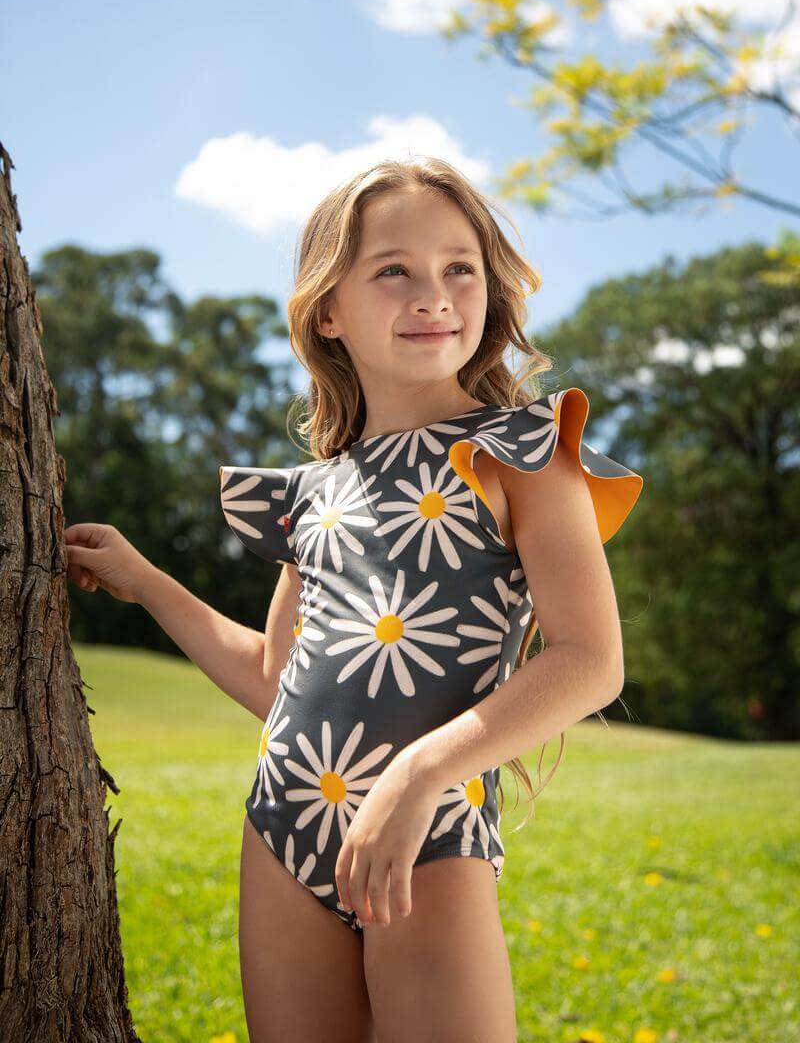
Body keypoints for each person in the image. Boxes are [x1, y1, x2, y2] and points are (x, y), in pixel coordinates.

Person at [65, 156, 644, 1043]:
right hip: (280, 821)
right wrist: (146, 583)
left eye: (460, 268)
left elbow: (590, 660)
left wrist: (418, 776)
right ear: (326, 309)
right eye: (393, 271)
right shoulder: (311, 491)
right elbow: (273, 675)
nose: (433, 294)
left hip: (430, 826)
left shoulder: (522, 451)